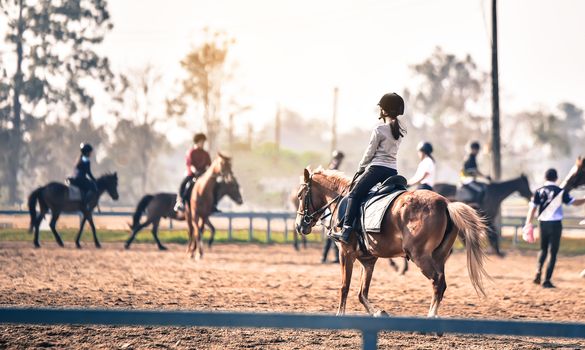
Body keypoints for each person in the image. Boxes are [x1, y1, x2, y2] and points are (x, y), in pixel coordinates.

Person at [330, 92, 406, 244]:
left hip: (377, 169)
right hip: (392, 171)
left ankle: (346, 231)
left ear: (384, 111)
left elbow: (369, 153)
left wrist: (360, 168)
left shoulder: (379, 130)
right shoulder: (401, 131)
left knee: (353, 195)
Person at [523, 168, 585, 288]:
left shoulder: (538, 191)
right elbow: (575, 203)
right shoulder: (560, 191)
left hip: (542, 224)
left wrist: (528, 223)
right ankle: (547, 280)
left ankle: (538, 271)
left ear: (545, 178)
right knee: (553, 252)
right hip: (555, 225)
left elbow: (532, 209)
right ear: (556, 178)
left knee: (543, 250)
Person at [174, 133, 212, 212]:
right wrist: (196, 172)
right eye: (201, 142)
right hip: (192, 174)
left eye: (203, 142)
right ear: (196, 142)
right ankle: (180, 202)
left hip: (203, 175)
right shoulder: (191, 152)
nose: (203, 144)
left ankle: (213, 204)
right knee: (184, 185)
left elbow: (209, 165)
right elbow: (190, 165)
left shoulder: (205, 153)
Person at [322, 150, 344, 263]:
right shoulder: (332, 170)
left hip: (334, 203)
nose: (339, 161)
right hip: (331, 204)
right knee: (332, 230)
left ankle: (329, 257)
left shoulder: (334, 169)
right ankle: (325, 256)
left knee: (333, 230)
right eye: (338, 158)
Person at [69, 143, 98, 210]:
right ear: (87, 152)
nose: (91, 154)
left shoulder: (79, 159)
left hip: (75, 178)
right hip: (81, 179)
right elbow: (88, 172)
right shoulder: (86, 160)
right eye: (90, 152)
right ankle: (85, 204)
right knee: (93, 189)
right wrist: (94, 179)